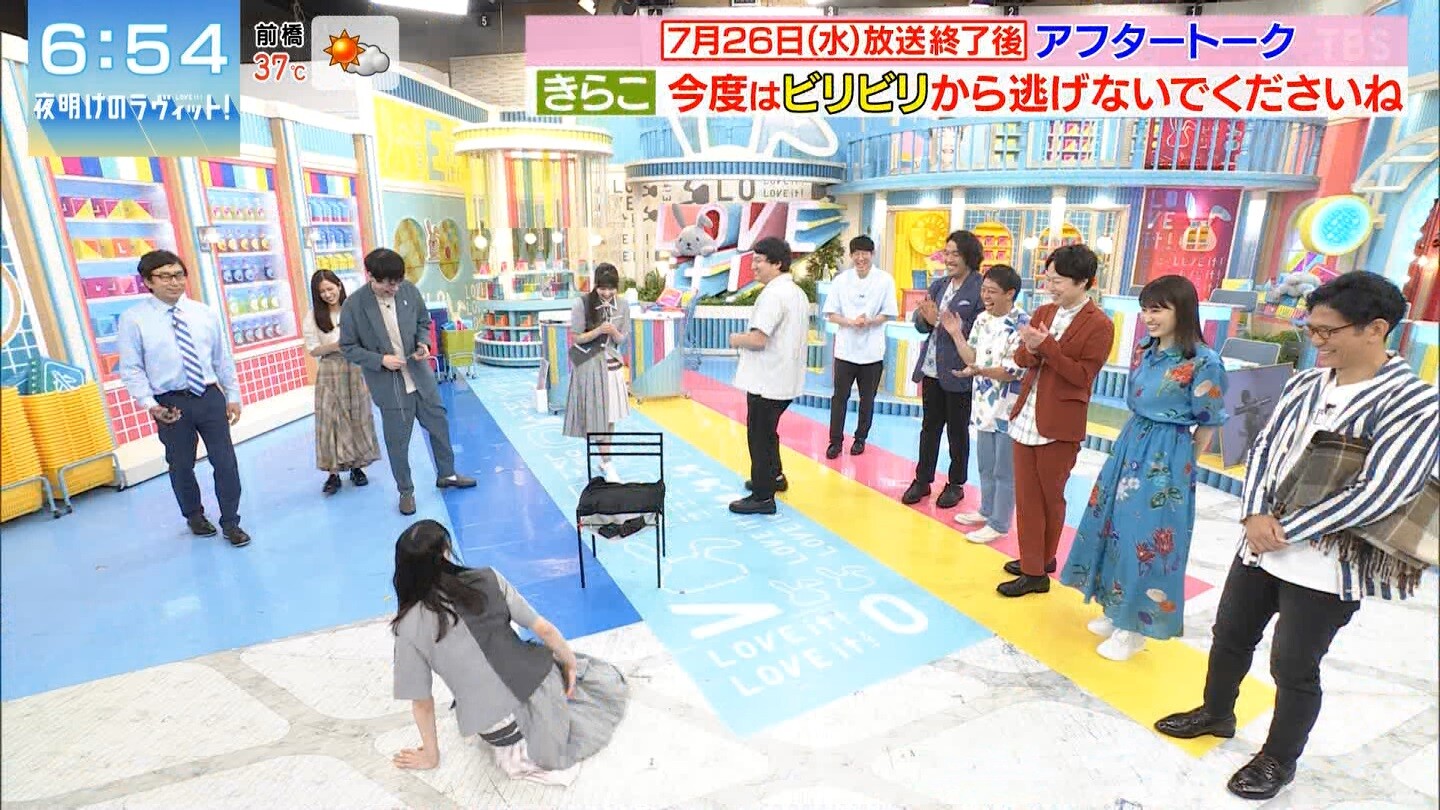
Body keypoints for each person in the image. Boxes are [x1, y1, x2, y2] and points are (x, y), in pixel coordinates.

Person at [1154, 272, 1438, 801]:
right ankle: (1216, 712)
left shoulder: (1414, 402)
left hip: (1328, 562)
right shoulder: (1308, 383)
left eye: (1329, 331)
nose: (1317, 340)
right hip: (1261, 544)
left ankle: (1278, 759)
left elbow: (1384, 489)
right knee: (1230, 634)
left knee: (1293, 664)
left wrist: (1286, 529)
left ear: (1376, 329)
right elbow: (1264, 448)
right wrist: (1253, 514)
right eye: (1312, 329)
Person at [1060, 275, 1229, 660]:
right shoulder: (1145, 350)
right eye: (1145, 310)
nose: (1149, 318)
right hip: (1131, 443)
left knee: (1148, 541)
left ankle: (1135, 627)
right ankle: (1115, 607)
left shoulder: (1204, 361)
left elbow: (1209, 421)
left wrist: (1183, 466)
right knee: (1113, 528)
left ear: (1182, 310)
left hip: (1166, 455)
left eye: (1158, 310)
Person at [390, 519, 628, 784]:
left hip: (500, 731)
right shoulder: (488, 578)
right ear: (446, 552)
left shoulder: (407, 627)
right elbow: (544, 630)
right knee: (560, 665)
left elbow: (422, 702)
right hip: (540, 696)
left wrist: (431, 755)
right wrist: (570, 664)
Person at [999, 244, 1114, 598]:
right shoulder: (1045, 311)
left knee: (1050, 498)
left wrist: (1047, 347)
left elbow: (1082, 376)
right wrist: (1031, 348)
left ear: (1083, 281)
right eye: (1048, 279)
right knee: (1027, 498)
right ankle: (1035, 563)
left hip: (1060, 423)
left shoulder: (1100, 325)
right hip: (1027, 415)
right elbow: (1021, 358)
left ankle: (1039, 564)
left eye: (1058, 281)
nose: (1050, 287)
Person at [116, 250, 250, 547]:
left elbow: (221, 357)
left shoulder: (204, 313)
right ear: (148, 281)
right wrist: (151, 405)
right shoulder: (134, 319)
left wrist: (233, 395)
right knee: (180, 464)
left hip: (209, 396)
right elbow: (131, 368)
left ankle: (231, 521)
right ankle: (194, 515)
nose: (174, 282)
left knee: (226, 462)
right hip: (170, 403)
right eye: (164, 276)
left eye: (178, 275)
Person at [340, 249, 476, 516]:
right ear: (371, 276)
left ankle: (447, 474)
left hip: (421, 377)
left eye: (398, 282)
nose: (394, 288)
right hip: (389, 385)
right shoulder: (354, 306)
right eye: (388, 284)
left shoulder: (409, 292)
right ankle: (406, 491)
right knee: (398, 443)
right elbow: (348, 347)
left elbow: (424, 322)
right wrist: (380, 360)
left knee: (439, 426)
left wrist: (424, 343)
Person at [903, 230, 984, 510]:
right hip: (931, 370)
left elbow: (980, 330)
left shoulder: (979, 289)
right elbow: (921, 324)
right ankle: (922, 479)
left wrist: (941, 321)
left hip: (959, 371)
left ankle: (956, 483)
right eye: (946, 253)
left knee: (957, 431)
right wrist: (925, 319)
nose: (948, 259)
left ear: (969, 257)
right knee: (929, 427)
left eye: (955, 254)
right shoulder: (938, 285)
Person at [728, 236, 810, 515]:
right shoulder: (795, 292)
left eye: (759, 261)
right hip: (784, 378)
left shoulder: (773, 295)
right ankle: (774, 476)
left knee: (759, 436)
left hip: (767, 380)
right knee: (768, 432)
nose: (753, 266)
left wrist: (735, 339)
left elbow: (758, 339)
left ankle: (763, 496)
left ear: (776, 264)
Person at [947, 264, 1027, 543]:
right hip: (983, 403)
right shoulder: (982, 319)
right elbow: (972, 358)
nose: (985, 296)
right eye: (984, 290)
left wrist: (980, 370)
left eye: (992, 291)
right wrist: (956, 334)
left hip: (1008, 407)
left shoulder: (1021, 323)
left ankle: (999, 522)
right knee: (986, 464)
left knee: (1005, 470)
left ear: (1010, 293)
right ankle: (986, 509)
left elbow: (1012, 371)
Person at [304, 270, 381, 495]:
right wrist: (336, 345)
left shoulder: (354, 310)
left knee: (358, 415)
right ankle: (333, 473)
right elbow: (313, 349)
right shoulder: (313, 317)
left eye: (330, 288)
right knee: (330, 419)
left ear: (339, 285)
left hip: (355, 368)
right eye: (322, 291)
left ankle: (357, 467)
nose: (328, 294)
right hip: (329, 369)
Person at [821, 235, 898, 459]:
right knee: (839, 398)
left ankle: (860, 438)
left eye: (865, 253)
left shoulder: (885, 280)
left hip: (872, 353)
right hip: (845, 351)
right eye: (856, 253)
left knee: (867, 399)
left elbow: (888, 313)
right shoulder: (841, 281)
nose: (860, 258)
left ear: (872, 255)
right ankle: (835, 442)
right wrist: (851, 322)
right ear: (851, 255)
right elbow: (831, 314)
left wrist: (870, 321)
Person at [562, 263, 632, 483]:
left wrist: (614, 332)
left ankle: (605, 460)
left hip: (613, 366)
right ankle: (607, 462)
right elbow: (576, 337)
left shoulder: (623, 305)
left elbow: (623, 339)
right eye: (603, 288)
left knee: (610, 417)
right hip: (591, 366)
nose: (607, 293)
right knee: (597, 416)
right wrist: (599, 330)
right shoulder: (582, 304)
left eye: (612, 288)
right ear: (595, 286)